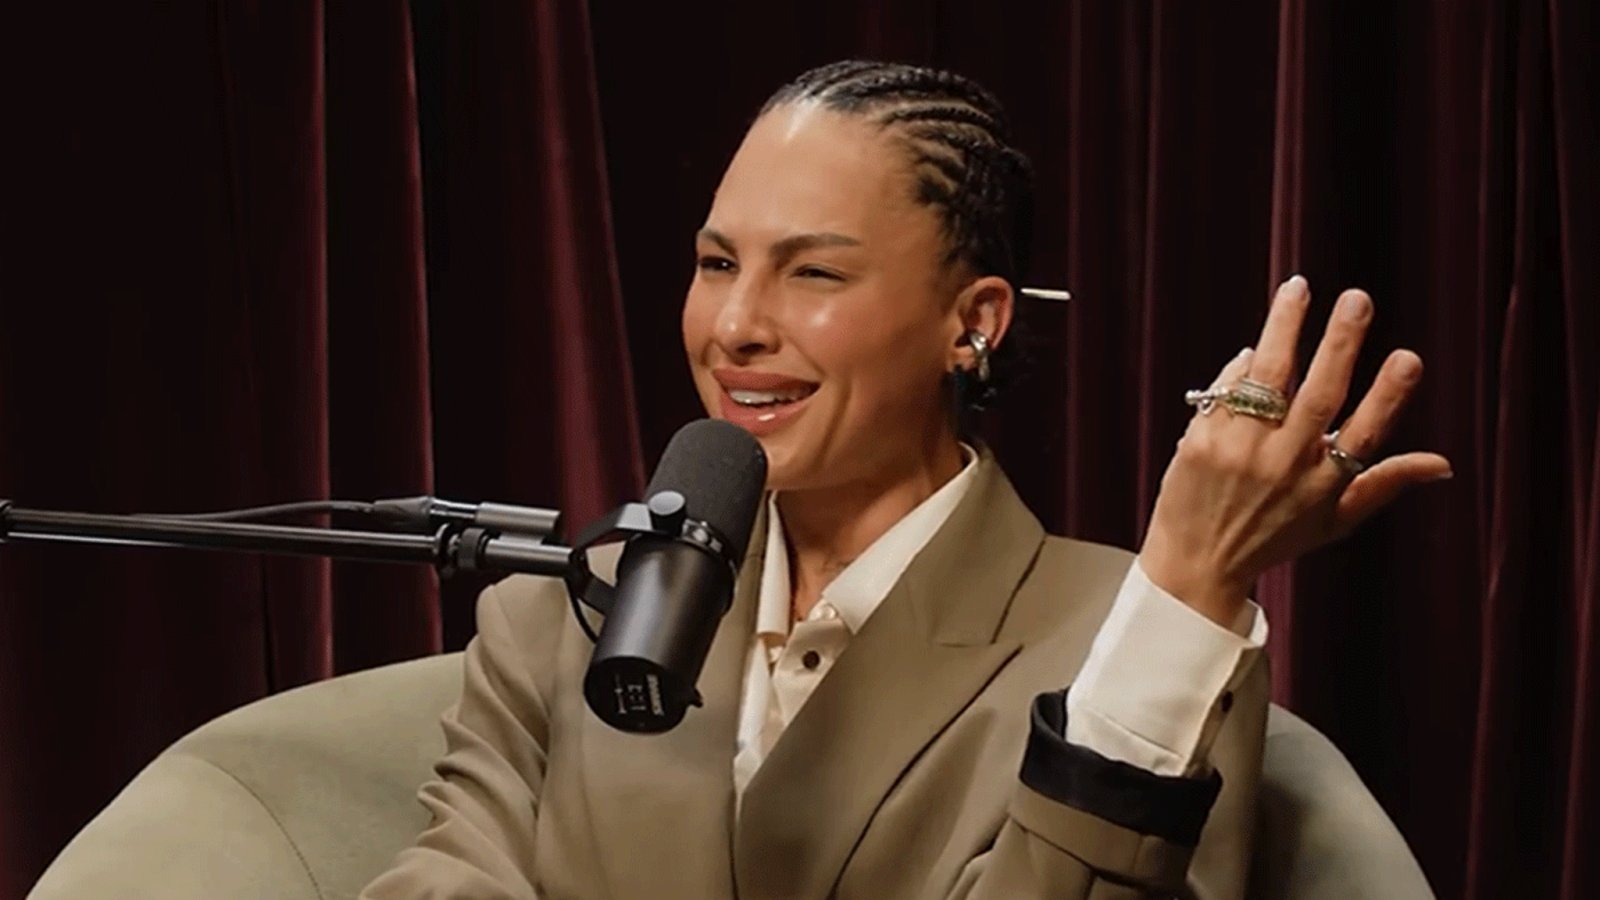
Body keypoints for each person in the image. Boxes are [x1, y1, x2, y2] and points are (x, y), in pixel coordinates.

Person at [361, 60, 1450, 900]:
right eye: (716, 263)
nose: (735, 325)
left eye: (813, 271)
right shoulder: (562, 616)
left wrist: (1186, 583)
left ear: (971, 324)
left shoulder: (1137, 647)